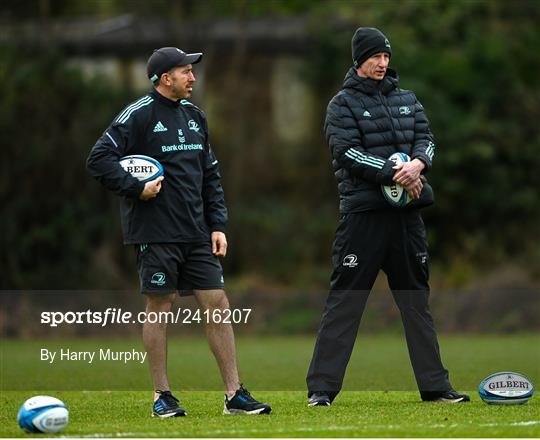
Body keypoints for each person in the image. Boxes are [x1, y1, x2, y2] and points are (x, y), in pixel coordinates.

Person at [87, 47, 271, 417]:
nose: (193, 78)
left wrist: (217, 224)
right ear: (164, 78)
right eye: (186, 71)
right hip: (155, 232)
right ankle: (161, 396)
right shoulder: (137, 116)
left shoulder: (195, 116)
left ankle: (234, 394)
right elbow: (98, 158)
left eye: (192, 71)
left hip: (197, 232)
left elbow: (211, 175)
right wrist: (134, 187)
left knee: (217, 303)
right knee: (160, 305)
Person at [306, 28, 469, 406]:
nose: (382, 63)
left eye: (386, 57)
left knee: (416, 303)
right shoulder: (341, 105)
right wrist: (398, 172)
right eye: (375, 57)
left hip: (406, 220)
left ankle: (435, 387)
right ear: (359, 60)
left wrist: (418, 163)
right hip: (363, 219)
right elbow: (347, 153)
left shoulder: (407, 99)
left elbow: (426, 140)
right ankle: (322, 390)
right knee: (346, 303)